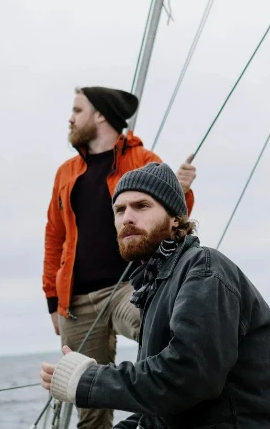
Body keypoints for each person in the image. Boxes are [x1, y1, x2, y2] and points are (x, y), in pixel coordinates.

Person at [39, 162, 270, 429]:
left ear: (175, 217)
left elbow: (188, 378)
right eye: (119, 210)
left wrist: (89, 379)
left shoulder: (204, 270)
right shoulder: (156, 287)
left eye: (141, 206)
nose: (127, 217)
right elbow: (160, 411)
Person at [42, 86, 197, 429]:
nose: (70, 117)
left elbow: (172, 216)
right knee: (89, 403)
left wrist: (182, 189)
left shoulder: (143, 160)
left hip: (130, 287)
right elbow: (54, 236)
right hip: (76, 302)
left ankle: (175, 417)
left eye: (77, 110)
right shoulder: (65, 173)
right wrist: (53, 300)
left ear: (100, 115)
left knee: (163, 333)